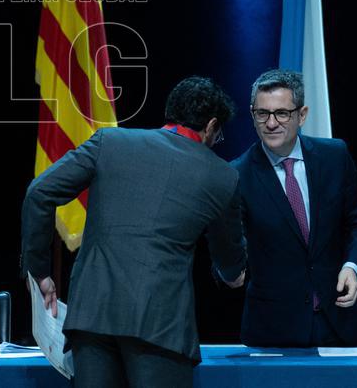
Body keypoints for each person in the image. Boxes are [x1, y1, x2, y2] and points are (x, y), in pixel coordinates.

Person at [22, 76, 246, 388]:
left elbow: (38, 193)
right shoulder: (223, 177)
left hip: (92, 318)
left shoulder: (109, 143)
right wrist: (235, 273)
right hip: (161, 326)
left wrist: (40, 271)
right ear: (210, 126)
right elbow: (230, 262)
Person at [233, 69, 357, 347]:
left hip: (342, 324)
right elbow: (230, 245)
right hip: (275, 330)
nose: (272, 123)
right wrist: (229, 269)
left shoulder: (334, 156)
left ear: (302, 114)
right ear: (252, 114)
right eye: (263, 113)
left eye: (282, 113)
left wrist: (351, 266)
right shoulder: (236, 176)